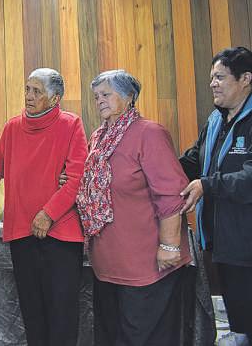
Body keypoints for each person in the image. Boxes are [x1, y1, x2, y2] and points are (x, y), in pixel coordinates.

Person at [0, 68, 87, 346]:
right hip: (22, 234)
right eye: (27, 89)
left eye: (36, 91)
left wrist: (48, 214)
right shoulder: (12, 128)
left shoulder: (71, 125)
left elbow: (77, 178)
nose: (28, 96)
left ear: (55, 99)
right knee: (32, 313)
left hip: (61, 235)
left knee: (62, 314)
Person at [76, 69, 191, 346]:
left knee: (143, 337)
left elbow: (171, 194)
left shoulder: (149, 133)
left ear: (128, 97)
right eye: (96, 96)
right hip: (107, 263)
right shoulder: (99, 137)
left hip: (147, 264)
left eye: (106, 94)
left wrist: (170, 245)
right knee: (111, 336)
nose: (99, 101)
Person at [180, 47, 252, 344]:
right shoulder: (214, 120)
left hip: (245, 239)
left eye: (220, 77)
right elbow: (194, 160)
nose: (213, 84)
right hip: (220, 239)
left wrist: (206, 185)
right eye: (212, 77)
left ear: (245, 79)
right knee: (237, 313)